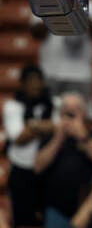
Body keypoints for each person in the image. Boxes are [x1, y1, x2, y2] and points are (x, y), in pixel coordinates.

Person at [34, 92, 92, 228]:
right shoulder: (49, 137)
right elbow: (38, 166)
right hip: (56, 209)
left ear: (84, 114)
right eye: (66, 109)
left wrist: (82, 136)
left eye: (75, 110)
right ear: (60, 113)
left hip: (88, 207)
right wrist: (58, 138)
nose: (70, 113)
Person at [31, 0, 92, 119]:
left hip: (80, 74)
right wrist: (54, 13)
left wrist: (80, 15)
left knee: (81, 116)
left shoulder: (90, 5)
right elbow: (35, 32)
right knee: (48, 115)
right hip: (50, 71)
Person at [3, 64, 55, 228]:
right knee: (23, 220)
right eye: (30, 81)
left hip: (48, 170)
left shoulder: (52, 103)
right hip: (21, 170)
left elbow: (59, 128)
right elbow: (19, 137)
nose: (35, 85)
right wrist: (45, 127)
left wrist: (33, 125)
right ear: (22, 83)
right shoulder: (12, 106)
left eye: (38, 80)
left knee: (47, 219)